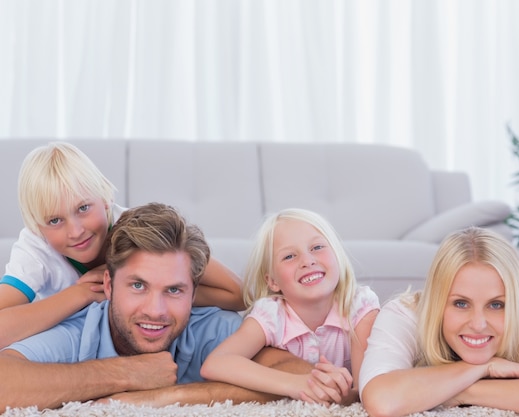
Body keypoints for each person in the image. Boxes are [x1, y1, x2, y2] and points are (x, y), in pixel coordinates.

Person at [0, 202, 342, 410]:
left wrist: (160, 397)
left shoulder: (208, 328)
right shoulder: (77, 331)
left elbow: (296, 373)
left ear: (194, 294)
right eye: (138, 286)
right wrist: (123, 374)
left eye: (175, 290)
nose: (156, 310)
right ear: (106, 285)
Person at [0, 142, 244, 348]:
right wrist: (81, 294)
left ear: (106, 199)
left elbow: (239, 295)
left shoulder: (139, 229)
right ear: (37, 227)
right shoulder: (35, 249)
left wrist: (143, 289)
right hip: (71, 340)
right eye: (54, 220)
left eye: (83, 208)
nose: (75, 231)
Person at [359, 227, 519, 417]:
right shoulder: (406, 314)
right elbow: (381, 400)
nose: (478, 324)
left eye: (496, 305)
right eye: (460, 304)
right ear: (437, 302)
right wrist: (482, 368)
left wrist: (458, 390)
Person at [201, 208, 380, 405]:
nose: (307, 261)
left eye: (317, 247)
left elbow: (368, 388)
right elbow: (215, 364)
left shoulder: (358, 305)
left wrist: (347, 394)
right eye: (289, 256)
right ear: (273, 281)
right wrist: (296, 384)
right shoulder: (271, 314)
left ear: (337, 255)